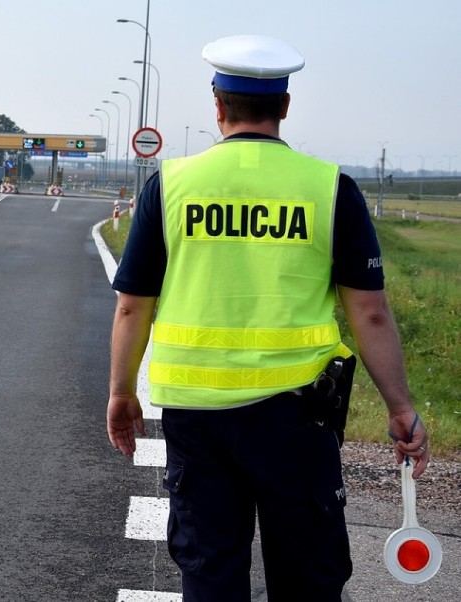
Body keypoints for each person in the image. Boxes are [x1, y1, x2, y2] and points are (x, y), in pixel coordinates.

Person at [106, 34, 430, 601]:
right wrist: (400, 408)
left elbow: (134, 304)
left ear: (217, 104)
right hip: (297, 417)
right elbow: (371, 315)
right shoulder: (330, 190)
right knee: (308, 576)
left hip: (197, 415)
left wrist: (121, 391)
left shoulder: (171, 187)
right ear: (284, 106)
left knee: (210, 573)